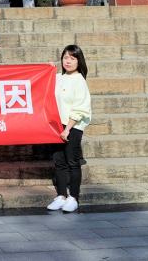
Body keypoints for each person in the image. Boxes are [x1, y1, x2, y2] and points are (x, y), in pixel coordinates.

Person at [48, 45, 92, 214]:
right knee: (59, 161)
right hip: (57, 125)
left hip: (72, 126)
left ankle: (73, 197)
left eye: (72, 58)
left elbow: (80, 108)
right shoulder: (59, 77)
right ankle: (61, 195)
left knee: (72, 162)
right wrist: (48, 70)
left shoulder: (79, 80)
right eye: (65, 57)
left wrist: (68, 129)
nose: (68, 61)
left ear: (79, 61)